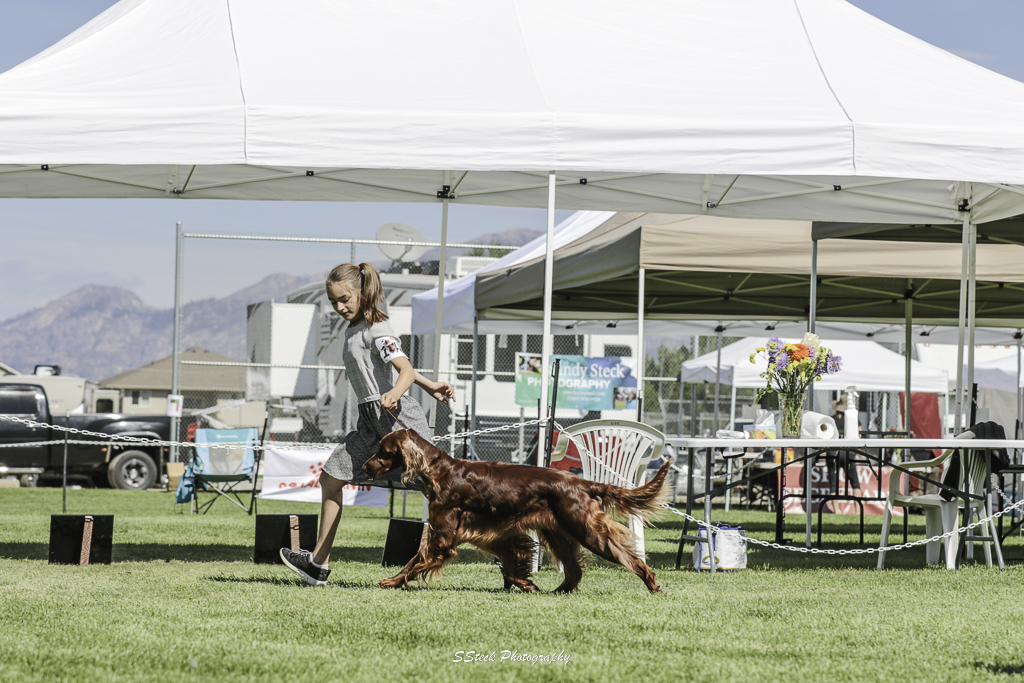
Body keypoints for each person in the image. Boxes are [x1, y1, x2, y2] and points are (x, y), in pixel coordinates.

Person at [280, 262, 455, 586]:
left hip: (398, 421)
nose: (339, 307)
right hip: (369, 421)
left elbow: (403, 369)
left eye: (344, 299)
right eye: (333, 301)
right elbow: (394, 369)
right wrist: (431, 385)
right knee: (332, 477)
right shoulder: (353, 329)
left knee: (444, 491)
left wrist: (395, 393)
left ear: (362, 293)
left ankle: (503, 548)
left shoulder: (378, 328)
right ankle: (317, 565)